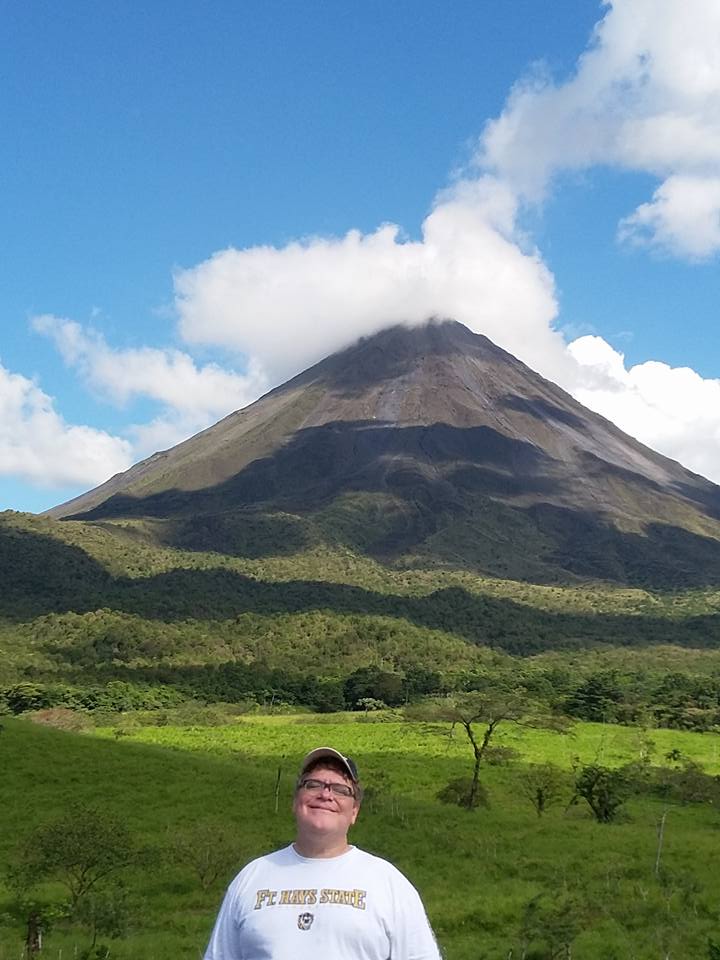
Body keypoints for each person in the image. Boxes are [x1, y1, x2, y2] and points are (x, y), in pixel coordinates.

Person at [204, 746, 442, 959]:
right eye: (313, 785)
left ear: (354, 811)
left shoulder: (389, 883)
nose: (326, 795)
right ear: (295, 801)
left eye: (340, 790)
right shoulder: (251, 878)